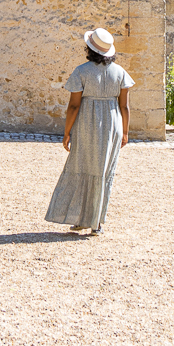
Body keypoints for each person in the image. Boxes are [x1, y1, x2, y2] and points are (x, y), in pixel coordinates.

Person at [45, 28, 134, 237]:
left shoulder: (81, 71)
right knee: (103, 171)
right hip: (113, 124)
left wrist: (66, 132)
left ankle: (82, 218)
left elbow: (74, 106)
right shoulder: (120, 72)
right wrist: (126, 132)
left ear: (90, 48)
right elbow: (125, 107)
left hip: (87, 123)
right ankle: (96, 222)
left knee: (81, 167)